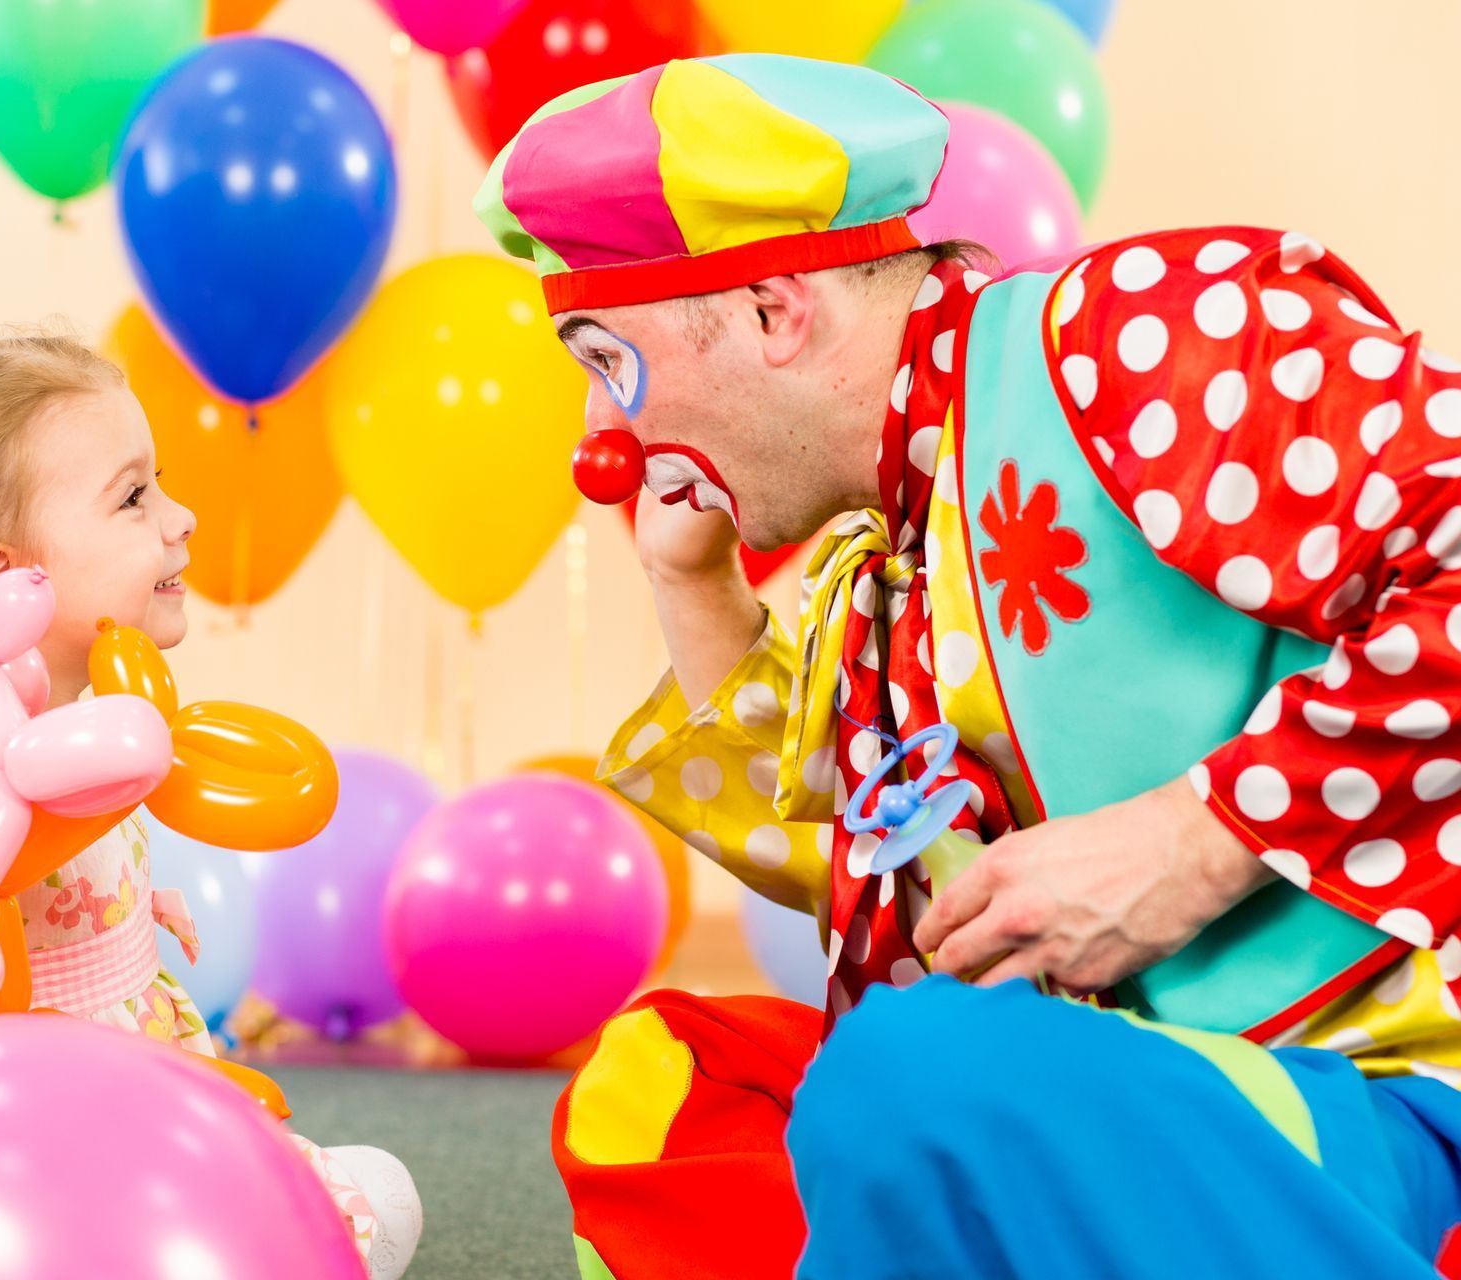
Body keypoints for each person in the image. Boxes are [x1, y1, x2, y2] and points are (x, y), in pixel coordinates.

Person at [476, 54, 1461, 1278]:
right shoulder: (892, 541)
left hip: (1380, 1096)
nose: (602, 442)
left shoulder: (1131, 328)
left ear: (778, 312)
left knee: (906, 1078)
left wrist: (1191, 840)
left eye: (606, 365)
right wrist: (692, 581)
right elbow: (866, 877)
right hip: (1125, 1099)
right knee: (668, 1094)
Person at [0, 334, 421, 1279]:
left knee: (375, 1200)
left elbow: (61, 879)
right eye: (133, 495)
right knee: (342, 1217)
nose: (181, 517)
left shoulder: (89, 721)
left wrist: (125, 908)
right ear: (0, 573)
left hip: (124, 1088)